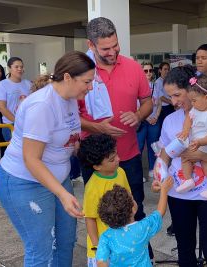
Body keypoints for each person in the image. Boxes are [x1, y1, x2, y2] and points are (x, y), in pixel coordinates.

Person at [0, 51, 94, 266]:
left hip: (58, 179)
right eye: (87, 81)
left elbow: (68, 139)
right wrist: (63, 194)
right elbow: (31, 159)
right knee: (41, 248)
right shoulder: (42, 105)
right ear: (67, 78)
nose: (90, 87)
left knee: (66, 241)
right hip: (25, 183)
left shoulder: (69, 99)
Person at [79, 16, 153, 259]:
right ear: (91, 45)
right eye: (105, 48)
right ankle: (105, 255)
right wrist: (98, 128)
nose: (112, 52)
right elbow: (69, 116)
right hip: (95, 159)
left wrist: (139, 114)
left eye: (115, 45)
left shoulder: (132, 67)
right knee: (99, 210)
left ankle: (140, 255)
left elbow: (148, 101)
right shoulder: (81, 71)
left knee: (135, 207)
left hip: (129, 155)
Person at [152, 66, 207, 266]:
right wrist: (158, 176)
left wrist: (198, 155)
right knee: (184, 249)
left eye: (177, 95)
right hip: (179, 195)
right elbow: (164, 156)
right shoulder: (170, 121)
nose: (174, 101)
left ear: (192, 89)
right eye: (170, 96)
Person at [77, 134, 131, 267]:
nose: (118, 159)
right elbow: (90, 219)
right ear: (97, 166)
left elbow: (129, 198)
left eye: (117, 154)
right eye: (112, 159)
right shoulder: (92, 187)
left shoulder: (121, 172)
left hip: (121, 240)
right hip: (103, 246)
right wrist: (98, 248)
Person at [96, 177, 173, 267]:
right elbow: (160, 212)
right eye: (132, 198)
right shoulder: (143, 227)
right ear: (133, 209)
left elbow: (101, 262)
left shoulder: (106, 237)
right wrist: (164, 190)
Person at [0, 57, 31, 141]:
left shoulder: (28, 83)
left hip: (27, 124)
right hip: (10, 124)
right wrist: (16, 122)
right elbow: (1, 107)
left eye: (21, 67)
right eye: (16, 67)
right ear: (9, 68)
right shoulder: (3, 84)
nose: (20, 69)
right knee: (15, 152)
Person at [137, 62, 162, 180]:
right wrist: (146, 117)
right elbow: (135, 105)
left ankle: (153, 169)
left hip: (153, 120)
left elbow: (160, 103)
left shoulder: (155, 86)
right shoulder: (138, 86)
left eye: (150, 70)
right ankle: (139, 173)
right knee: (139, 146)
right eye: (145, 71)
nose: (148, 73)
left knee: (154, 146)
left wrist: (156, 116)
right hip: (142, 120)